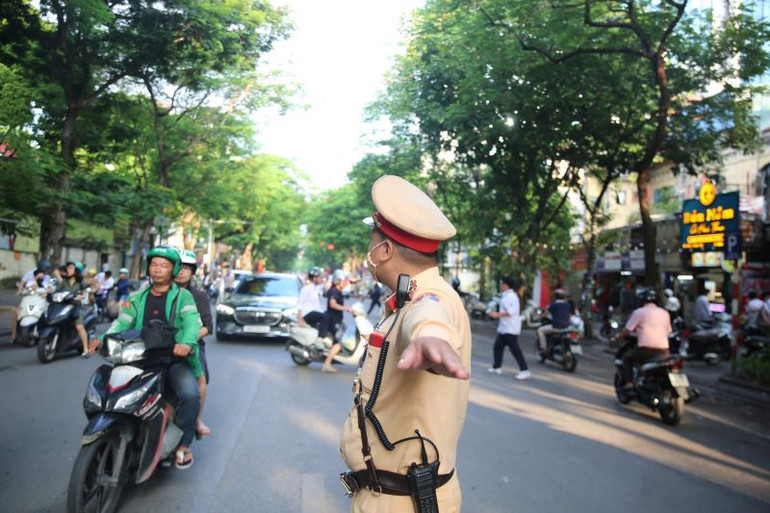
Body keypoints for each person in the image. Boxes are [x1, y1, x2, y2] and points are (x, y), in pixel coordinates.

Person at [339, 175, 470, 513]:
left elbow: (429, 316)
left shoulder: (431, 298)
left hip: (404, 503)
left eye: (372, 240)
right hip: (390, 497)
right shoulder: (408, 298)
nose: (369, 248)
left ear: (384, 250)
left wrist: (430, 335)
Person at [89, 245, 203, 469]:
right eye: (154, 264)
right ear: (148, 267)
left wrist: (186, 343)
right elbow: (121, 323)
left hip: (171, 359)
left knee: (190, 394)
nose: (158, 269)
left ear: (173, 270)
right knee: (108, 391)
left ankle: (184, 446)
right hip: (138, 358)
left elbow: (191, 323)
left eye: (164, 265)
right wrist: (102, 339)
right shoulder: (136, 297)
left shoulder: (183, 296)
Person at [176, 249, 213, 439]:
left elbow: (207, 327)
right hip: (159, 342)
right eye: (178, 267)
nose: (181, 271)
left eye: (186, 268)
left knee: (201, 378)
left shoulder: (198, 296)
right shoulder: (157, 292)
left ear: (192, 272)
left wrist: (187, 339)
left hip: (192, 344)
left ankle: (196, 419)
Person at [617, 289, 670, 388]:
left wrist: (619, 336)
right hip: (664, 351)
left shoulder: (639, 312)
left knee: (627, 358)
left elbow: (627, 329)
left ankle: (629, 383)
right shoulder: (665, 313)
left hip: (646, 350)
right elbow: (668, 331)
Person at [487, 276, 530, 380]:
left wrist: (496, 315)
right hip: (504, 328)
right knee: (498, 347)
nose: (500, 286)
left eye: (502, 284)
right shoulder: (506, 296)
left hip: (510, 328)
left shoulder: (511, 297)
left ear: (506, 285)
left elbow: (511, 312)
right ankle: (497, 366)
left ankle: (524, 370)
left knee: (515, 350)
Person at [54, 261, 92, 356]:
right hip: (63, 306)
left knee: (79, 327)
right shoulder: (64, 281)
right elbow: (56, 289)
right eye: (68, 268)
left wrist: (81, 296)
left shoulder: (80, 282)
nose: (68, 270)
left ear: (76, 271)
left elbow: (84, 292)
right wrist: (48, 291)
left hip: (75, 307)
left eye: (71, 268)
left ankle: (85, 348)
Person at [319, 269, 353, 373]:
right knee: (340, 342)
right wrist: (346, 308)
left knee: (341, 339)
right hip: (332, 320)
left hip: (337, 320)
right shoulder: (333, 291)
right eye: (343, 280)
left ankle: (332, 359)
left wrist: (348, 308)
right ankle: (326, 364)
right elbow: (332, 304)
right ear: (337, 280)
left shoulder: (338, 291)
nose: (345, 282)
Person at [10, 268, 48, 343]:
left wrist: (45, 291)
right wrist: (21, 291)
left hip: (40, 303)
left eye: (42, 274)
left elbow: (47, 291)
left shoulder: (45, 282)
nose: (41, 275)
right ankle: (14, 336)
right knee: (16, 314)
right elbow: (25, 289)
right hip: (29, 302)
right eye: (38, 274)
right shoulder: (31, 282)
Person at [536, 288, 571, 356]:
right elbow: (569, 315)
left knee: (540, 330)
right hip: (567, 327)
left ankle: (544, 348)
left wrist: (539, 317)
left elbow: (545, 314)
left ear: (555, 296)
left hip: (557, 327)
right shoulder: (567, 305)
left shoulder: (554, 305)